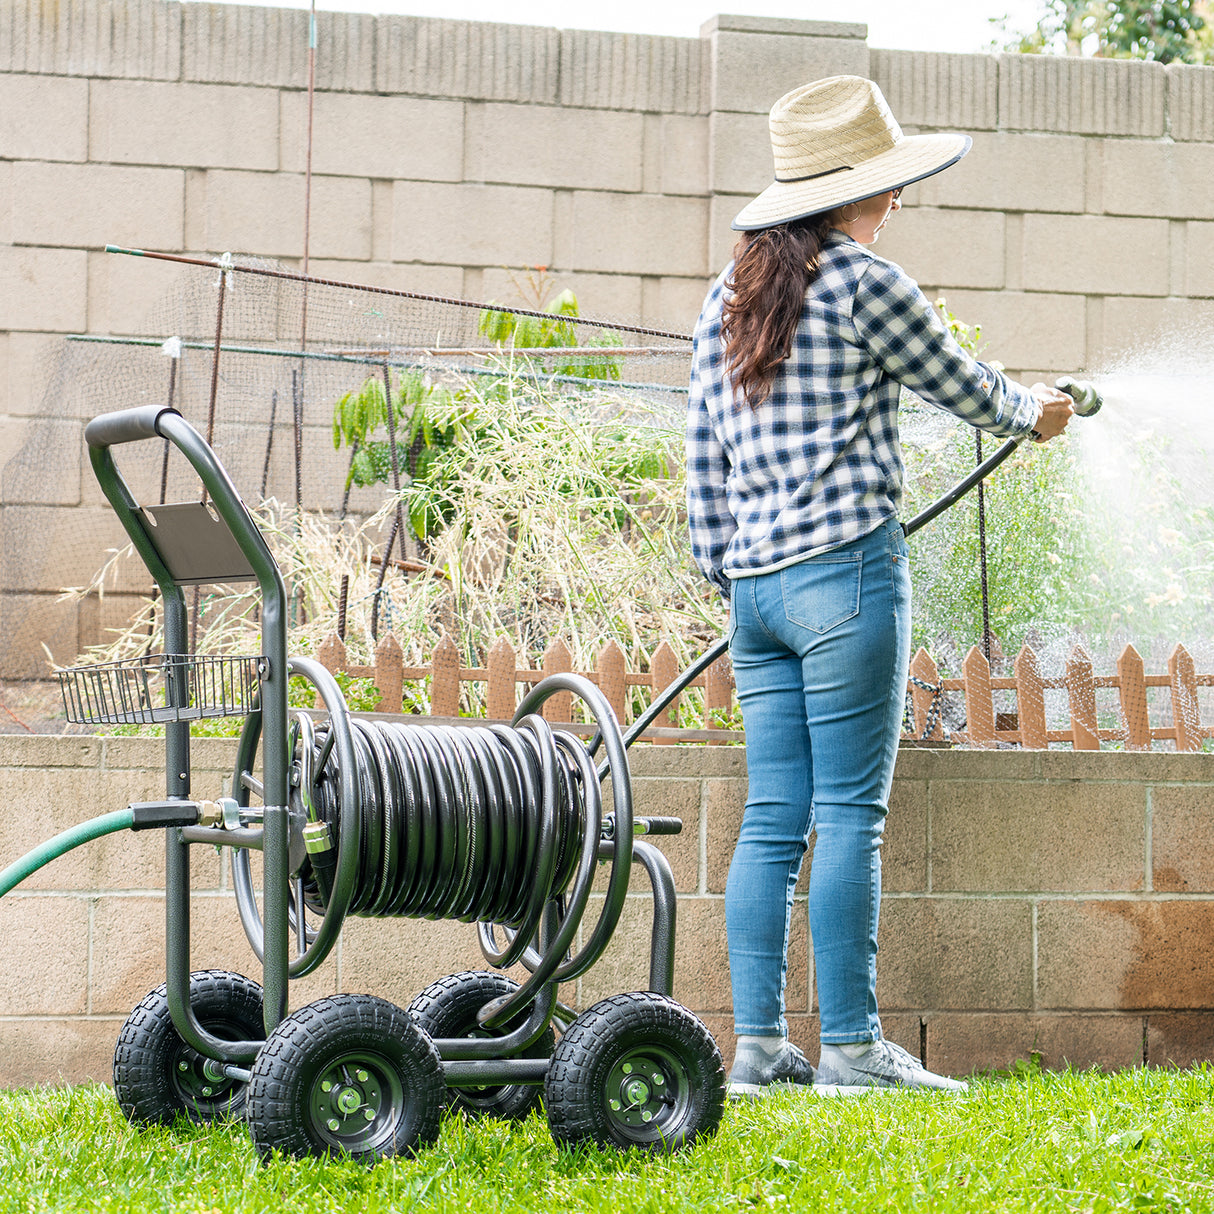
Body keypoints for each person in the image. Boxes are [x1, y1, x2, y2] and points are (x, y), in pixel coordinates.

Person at [685, 75, 1073, 1096]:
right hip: (847, 575)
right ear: (852, 190)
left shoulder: (723, 300)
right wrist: (1035, 413)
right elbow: (966, 386)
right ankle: (852, 1049)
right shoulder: (866, 284)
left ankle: (758, 1048)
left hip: (756, 595)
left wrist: (732, 571)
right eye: (888, 182)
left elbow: (701, 464)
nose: (897, 198)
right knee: (850, 814)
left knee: (773, 817)